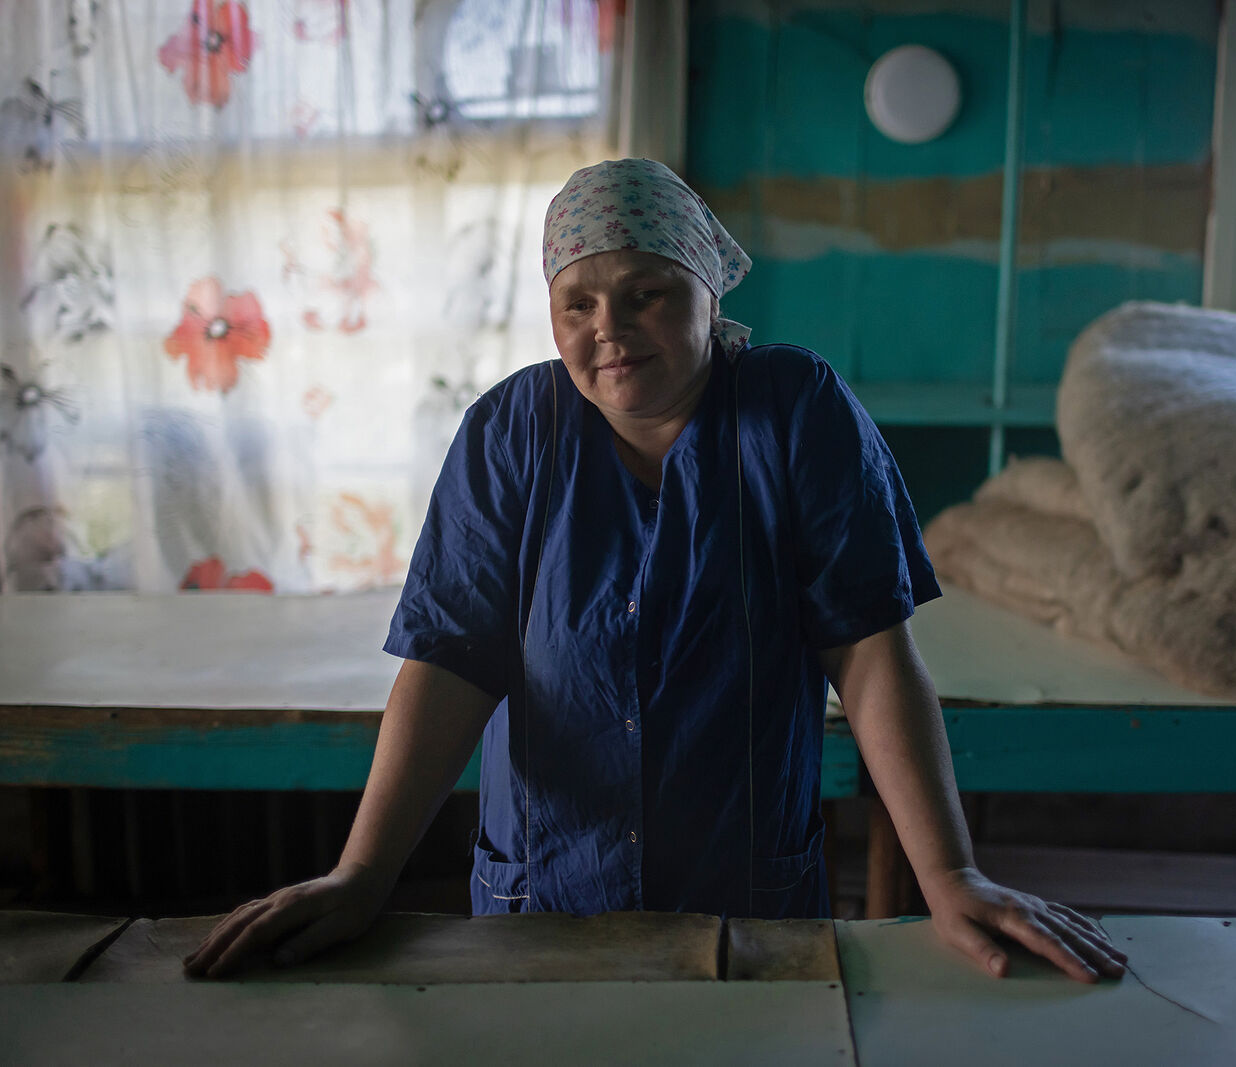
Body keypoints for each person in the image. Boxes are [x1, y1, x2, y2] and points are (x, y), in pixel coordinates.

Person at [183, 158, 1126, 983]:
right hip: (546, 900)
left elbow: (870, 654)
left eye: (648, 293)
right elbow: (449, 662)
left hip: (746, 902)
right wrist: (363, 873)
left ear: (710, 294)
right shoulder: (512, 431)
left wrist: (949, 875)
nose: (611, 328)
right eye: (579, 304)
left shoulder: (794, 411)